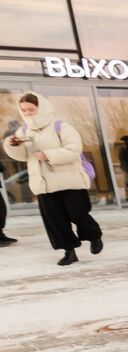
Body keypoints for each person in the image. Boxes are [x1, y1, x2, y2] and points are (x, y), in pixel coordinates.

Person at [4, 92, 103, 266]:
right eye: (24, 110)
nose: (27, 113)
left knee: (78, 214)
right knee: (55, 221)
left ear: (41, 108)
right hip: (44, 184)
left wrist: (48, 155)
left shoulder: (61, 127)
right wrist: (12, 145)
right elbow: (22, 156)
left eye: (31, 109)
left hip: (70, 181)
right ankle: (69, 251)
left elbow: (74, 150)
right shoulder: (24, 131)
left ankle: (93, 236)